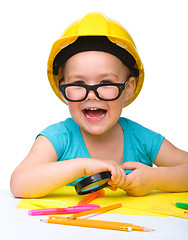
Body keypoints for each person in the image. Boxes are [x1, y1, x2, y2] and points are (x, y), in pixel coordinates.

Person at [10, 13, 188, 198]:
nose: (92, 95)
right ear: (63, 88)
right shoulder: (58, 138)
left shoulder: (141, 139)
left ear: (128, 88)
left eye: (105, 83)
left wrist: (156, 178)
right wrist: (83, 166)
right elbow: (19, 183)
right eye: (78, 84)